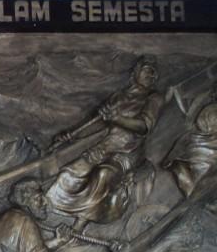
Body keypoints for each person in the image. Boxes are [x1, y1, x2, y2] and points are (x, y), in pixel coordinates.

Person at [46, 56, 164, 231]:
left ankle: (79, 226)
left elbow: (143, 126)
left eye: (154, 73)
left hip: (128, 153)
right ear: (136, 72)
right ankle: (47, 209)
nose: (151, 75)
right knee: (70, 172)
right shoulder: (119, 97)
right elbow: (97, 124)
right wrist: (70, 135)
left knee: (103, 175)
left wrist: (117, 118)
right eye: (147, 70)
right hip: (105, 147)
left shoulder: (153, 98)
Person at [0, 178, 106, 252]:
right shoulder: (22, 220)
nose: (45, 202)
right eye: (38, 199)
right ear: (25, 202)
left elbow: (26, 250)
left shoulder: (12, 216)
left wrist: (57, 241)